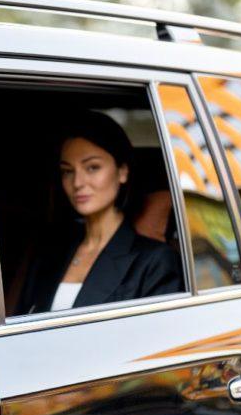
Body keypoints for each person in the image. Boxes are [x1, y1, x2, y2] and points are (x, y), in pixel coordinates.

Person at [17, 110, 182, 314]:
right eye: (68, 171)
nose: (77, 183)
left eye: (92, 168)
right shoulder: (49, 255)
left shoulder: (154, 261)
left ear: (122, 171)